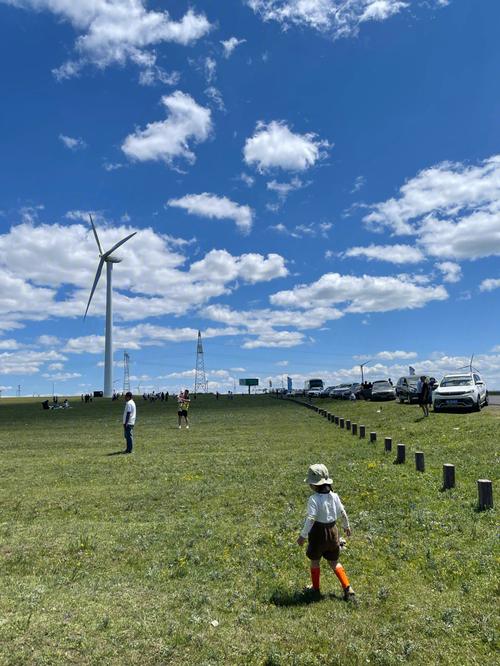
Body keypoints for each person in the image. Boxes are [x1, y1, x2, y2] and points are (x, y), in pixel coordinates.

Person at [297, 463, 355, 601]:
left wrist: (303, 536)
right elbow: (342, 512)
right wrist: (346, 526)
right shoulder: (334, 496)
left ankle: (316, 589)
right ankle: (348, 588)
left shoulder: (313, 499)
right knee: (334, 562)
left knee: (315, 561)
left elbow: (311, 519)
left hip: (318, 534)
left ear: (314, 485)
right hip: (333, 532)